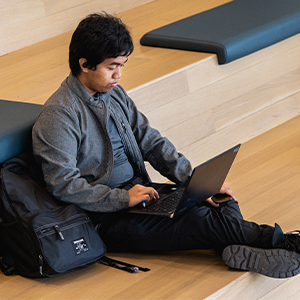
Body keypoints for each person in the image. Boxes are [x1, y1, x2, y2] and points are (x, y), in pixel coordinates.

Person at [32, 12, 300, 279]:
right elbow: (62, 183)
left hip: (140, 196)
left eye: (123, 65)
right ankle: (286, 243)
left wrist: (193, 181)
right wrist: (123, 198)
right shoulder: (59, 114)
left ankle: (237, 249)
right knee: (202, 220)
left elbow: (151, 141)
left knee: (219, 200)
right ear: (85, 64)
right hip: (105, 218)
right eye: (112, 66)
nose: (119, 75)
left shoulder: (114, 94)